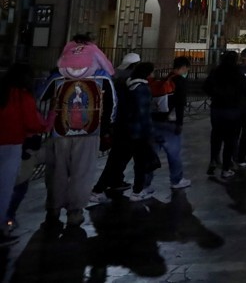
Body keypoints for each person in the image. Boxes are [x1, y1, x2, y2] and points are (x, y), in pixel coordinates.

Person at [41, 35, 117, 228]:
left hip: (59, 132)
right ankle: (75, 212)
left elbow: (40, 96)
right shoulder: (101, 76)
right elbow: (112, 104)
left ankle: (53, 209)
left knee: (56, 172)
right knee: (82, 173)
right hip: (89, 131)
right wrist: (106, 128)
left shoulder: (57, 75)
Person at [1, 64, 52, 246]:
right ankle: (3, 228)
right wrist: (47, 123)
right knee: (6, 188)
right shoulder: (23, 97)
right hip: (12, 144)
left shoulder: (4, 93)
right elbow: (32, 123)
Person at [90, 51, 141, 201]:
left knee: (122, 155)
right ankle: (98, 189)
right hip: (125, 124)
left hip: (117, 123)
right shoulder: (129, 79)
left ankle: (116, 180)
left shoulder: (116, 76)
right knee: (118, 157)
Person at [148, 56, 192, 191]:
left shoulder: (166, 78)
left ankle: (143, 185)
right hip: (170, 123)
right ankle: (176, 179)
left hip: (155, 121)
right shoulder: (180, 81)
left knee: (150, 155)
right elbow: (180, 104)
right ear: (184, 67)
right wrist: (180, 123)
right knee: (174, 153)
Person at [204, 51, 246, 179]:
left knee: (216, 135)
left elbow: (206, 86)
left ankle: (213, 159)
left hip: (217, 108)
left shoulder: (216, 71)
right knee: (231, 139)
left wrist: (215, 95)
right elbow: (245, 89)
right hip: (232, 109)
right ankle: (226, 168)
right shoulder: (237, 73)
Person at [125, 62, 160, 201]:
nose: (153, 74)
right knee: (141, 161)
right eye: (152, 71)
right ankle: (138, 190)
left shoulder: (129, 85)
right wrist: (150, 131)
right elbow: (144, 113)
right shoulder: (143, 89)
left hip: (129, 128)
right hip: (140, 131)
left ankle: (138, 188)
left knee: (134, 159)